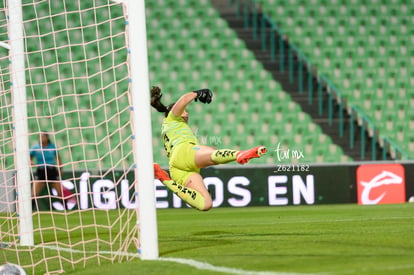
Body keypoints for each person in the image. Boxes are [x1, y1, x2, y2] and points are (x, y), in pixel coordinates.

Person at [151, 86, 267, 211]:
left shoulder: (171, 127)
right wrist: (198, 93)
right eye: (185, 110)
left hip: (177, 169)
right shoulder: (172, 118)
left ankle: (163, 178)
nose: (187, 112)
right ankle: (238, 155)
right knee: (213, 155)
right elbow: (183, 99)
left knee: (206, 204)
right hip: (183, 152)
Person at [30, 132, 64, 207]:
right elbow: (29, 158)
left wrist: (60, 169)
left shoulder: (52, 147)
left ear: (47, 138)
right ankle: (31, 210)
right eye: (40, 137)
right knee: (34, 194)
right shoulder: (35, 148)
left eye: (43, 136)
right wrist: (31, 162)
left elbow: (58, 158)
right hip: (41, 171)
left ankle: (66, 208)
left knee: (59, 192)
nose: (41, 138)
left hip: (51, 170)